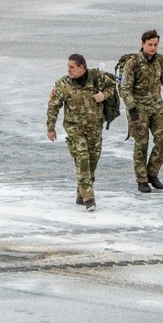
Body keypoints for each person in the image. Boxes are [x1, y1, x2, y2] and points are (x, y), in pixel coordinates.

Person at [46, 54, 115, 211]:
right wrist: (50, 127)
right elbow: (53, 106)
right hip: (74, 128)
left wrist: (104, 95)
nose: (68, 70)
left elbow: (112, 86)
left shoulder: (97, 77)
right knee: (83, 158)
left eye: (72, 67)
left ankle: (81, 193)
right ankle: (89, 198)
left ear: (81, 67)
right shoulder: (63, 84)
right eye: (68, 67)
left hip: (95, 127)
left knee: (93, 160)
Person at [119, 30, 163, 192]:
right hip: (138, 108)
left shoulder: (160, 60)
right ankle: (142, 179)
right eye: (150, 44)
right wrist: (131, 108)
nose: (153, 48)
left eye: (155, 44)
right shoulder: (133, 63)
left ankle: (152, 173)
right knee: (142, 144)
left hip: (156, 107)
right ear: (142, 44)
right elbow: (125, 88)